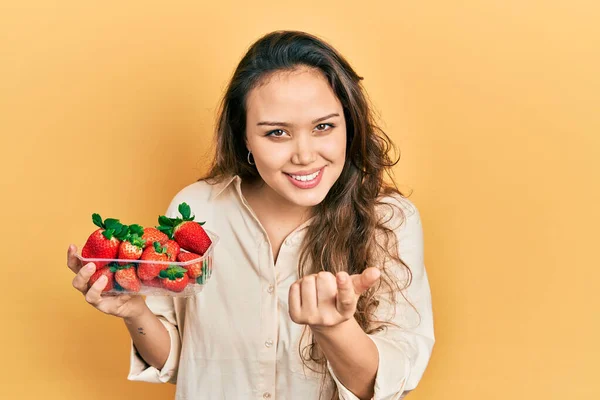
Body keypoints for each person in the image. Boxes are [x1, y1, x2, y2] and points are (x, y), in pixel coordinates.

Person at [67, 30, 434, 400]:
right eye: (277, 133)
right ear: (244, 137)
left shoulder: (388, 221)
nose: (304, 155)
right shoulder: (198, 208)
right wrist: (134, 311)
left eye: (323, 127)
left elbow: (385, 383)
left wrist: (336, 329)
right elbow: (185, 362)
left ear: (349, 124)